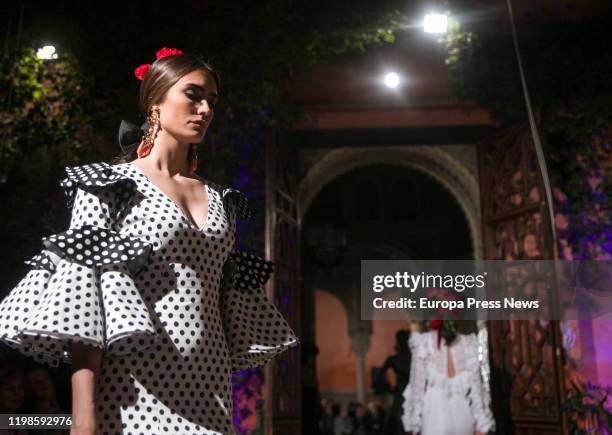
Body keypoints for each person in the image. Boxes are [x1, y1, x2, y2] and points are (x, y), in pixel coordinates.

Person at [0, 47, 298, 435]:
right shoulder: (109, 186)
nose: (205, 109)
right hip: (131, 387)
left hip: (209, 386)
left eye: (212, 100)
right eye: (193, 95)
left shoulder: (222, 199)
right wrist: (83, 413)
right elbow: (82, 303)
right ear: (156, 101)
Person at [401, 320, 495, 435]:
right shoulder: (469, 343)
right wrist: (482, 424)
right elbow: (477, 390)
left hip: (434, 416)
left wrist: (414, 424)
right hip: (462, 415)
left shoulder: (423, 342)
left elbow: (417, 388)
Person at [373, 329, 411, 435]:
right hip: (413, 394)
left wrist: (390, 388)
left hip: (400, 394)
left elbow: (378, 377)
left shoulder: (393, 359)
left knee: (397, 423)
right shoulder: (415, 358)